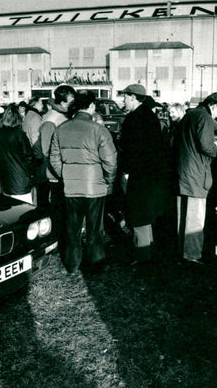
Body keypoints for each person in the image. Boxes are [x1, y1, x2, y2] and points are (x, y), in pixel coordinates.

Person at [49, 91, 117, 273]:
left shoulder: (61, 128)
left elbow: (54, 158)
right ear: (92, 106)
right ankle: (96, 264)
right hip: (95, 187)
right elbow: (110, 161)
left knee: (73, 228)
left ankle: (72, 264)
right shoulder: (99, 130)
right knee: (94, 230)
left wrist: (65, 175)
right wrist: (108, 180)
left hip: (71, 187)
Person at [176, 92, 217, 264]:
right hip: (196, 175)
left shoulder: (189, 114)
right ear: (214, 105)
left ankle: (181, 251)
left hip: (183, 171)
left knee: (182, 216)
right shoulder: (204, 117)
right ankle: (192, 255)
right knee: (195, 218)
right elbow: (206, 146)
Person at [118, 83, 166, 264]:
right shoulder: (150, 117)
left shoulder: (134, 119)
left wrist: (126, 171)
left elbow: (131, 150)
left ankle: (142, 254)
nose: (123, 100)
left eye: (124, 97)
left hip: (138, 174)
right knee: (145, 213)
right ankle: (148, 249)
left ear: (132, 97)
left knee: (138, 215)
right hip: (151, 175)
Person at [34, 85, 75, 234]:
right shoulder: (50, 120)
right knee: (57, 208)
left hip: (62, 171)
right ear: (63, 102)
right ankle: (57, 235)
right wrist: (59, 173)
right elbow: (47, 151)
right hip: (54, 175)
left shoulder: (64, 115)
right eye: (72, 101)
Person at [0, 104, 36, 204]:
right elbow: (28, 157)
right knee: (24, 210)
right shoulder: (19, 134)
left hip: (5, 178)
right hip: (20, 179)